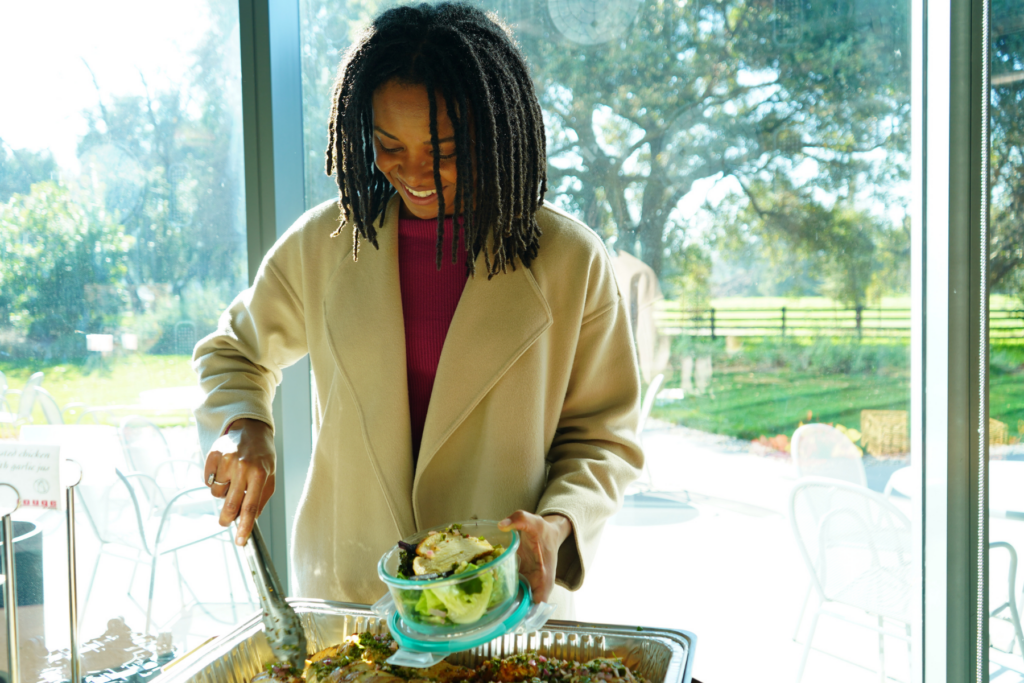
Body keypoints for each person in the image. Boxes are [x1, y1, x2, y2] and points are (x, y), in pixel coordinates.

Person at [193, 2, 643, 616]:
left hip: (496, 604)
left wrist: (558, 526)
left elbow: (603, 439)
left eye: (446, 149)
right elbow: (234, 351)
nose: (414, 172)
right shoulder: (326, 243)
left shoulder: (570, 259)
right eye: (388, 145)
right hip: (349, 597)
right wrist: (245, 424)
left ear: (496, 131)